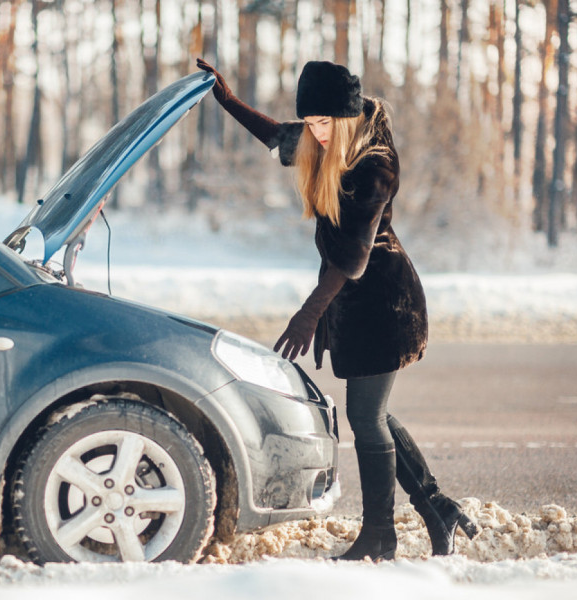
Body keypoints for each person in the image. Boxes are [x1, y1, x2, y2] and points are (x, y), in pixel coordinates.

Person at [196, 58, 479, 561]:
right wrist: (228, 99)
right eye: (310, 122)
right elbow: (277, 136)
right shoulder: (324, 141)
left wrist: (308, 313)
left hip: (386, 302)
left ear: (345, 117)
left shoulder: (374, 165)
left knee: (365, 417)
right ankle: (438, 508)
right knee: (375, 415)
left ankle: (380, 536)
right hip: (353, 299)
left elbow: (351, 255)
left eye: (324, 122)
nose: (315, 133)